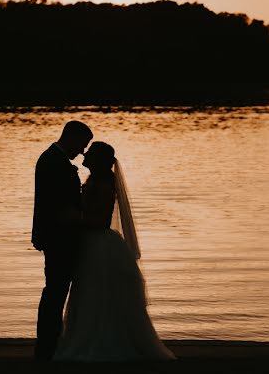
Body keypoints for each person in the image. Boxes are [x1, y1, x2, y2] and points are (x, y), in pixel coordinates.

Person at [54, 141, 175, 361]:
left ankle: (100, 340)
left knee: (96, 293)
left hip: (98, 245)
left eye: (90, 152)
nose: (84, 154)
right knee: (94, 294)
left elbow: (99, 220)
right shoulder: (96, 181)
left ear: (99, 159)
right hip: (94, 243)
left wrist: (72, 219)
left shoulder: (103, 185)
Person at [31, 120, 93, 361]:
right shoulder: (53, 163)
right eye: (82, 145)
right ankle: (47, 346)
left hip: (57, 236)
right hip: (59, 237)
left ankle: (49, 343)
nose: (82, 152)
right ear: (72, 138)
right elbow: (56, 206)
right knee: (55, 292)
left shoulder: (53, 160)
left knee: (55, 291)